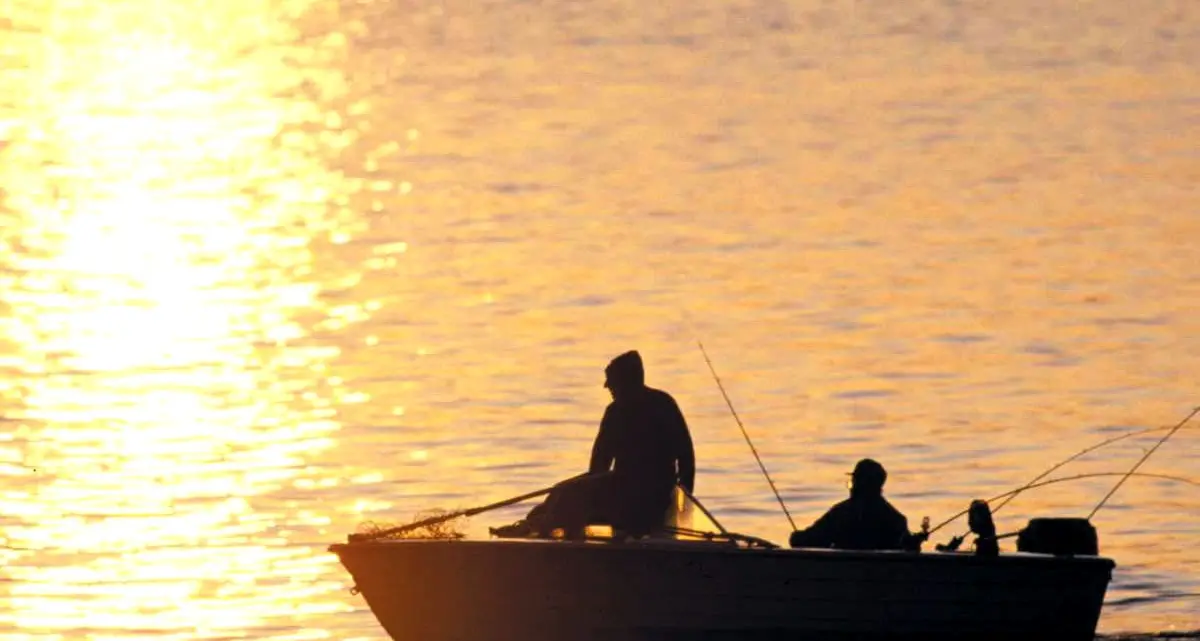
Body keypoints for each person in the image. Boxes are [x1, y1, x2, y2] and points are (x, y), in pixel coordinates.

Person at [491, 350, 695, 539]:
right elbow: (599, 467)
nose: (608, 388)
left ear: (628, 381)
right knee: (559, 493)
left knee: (568, 496)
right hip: (635, 494)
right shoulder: (652, 405)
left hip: (640, 501)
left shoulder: (642, 408)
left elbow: (685, 457)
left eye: (613, 383)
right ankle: (532, 525)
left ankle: (546, 537)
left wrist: (682, 506)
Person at [788, 458, 926, 551]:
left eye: (853, 482)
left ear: (857, 483)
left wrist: (797, 536)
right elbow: (906, 548)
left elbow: (810, 539)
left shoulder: (841, 513)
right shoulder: (896, 519)